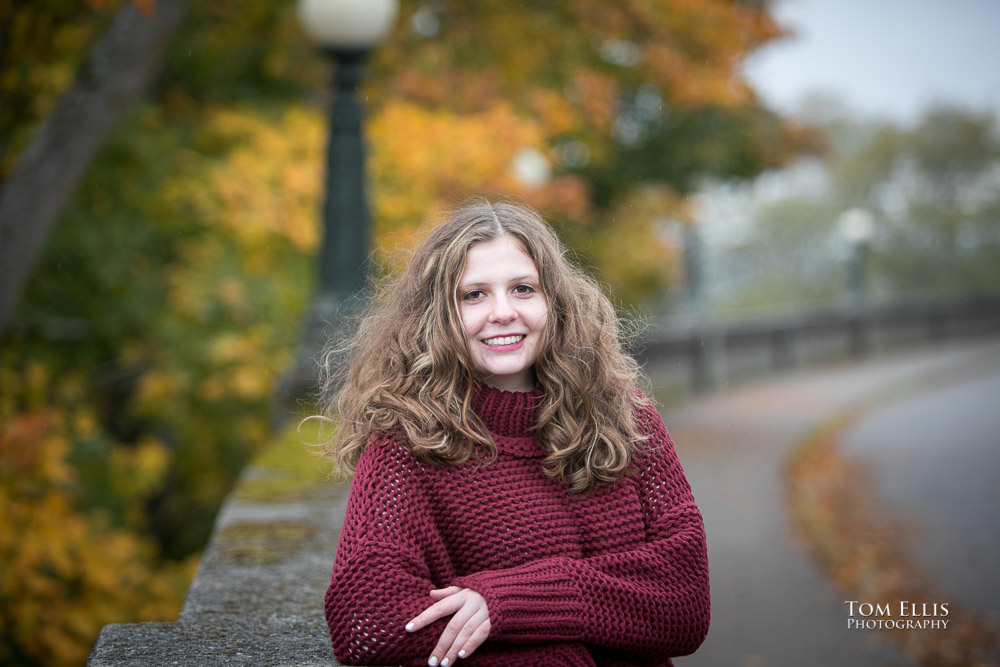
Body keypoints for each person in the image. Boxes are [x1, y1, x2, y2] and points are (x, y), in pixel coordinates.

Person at [317, 200, 709, 666]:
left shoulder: (627, 420)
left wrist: (504, 601)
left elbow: (685, 605)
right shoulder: (406, 446)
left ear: (555, 302)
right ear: (437, 315)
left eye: (523, 289)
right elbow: (366, 624)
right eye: (473, 295)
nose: (502, 312)